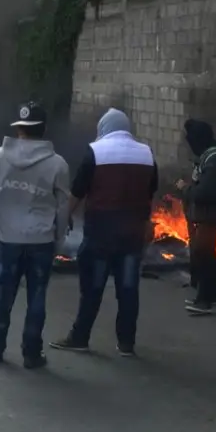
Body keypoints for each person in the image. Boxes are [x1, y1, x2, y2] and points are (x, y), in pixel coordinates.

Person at [51, 107, 157, 357]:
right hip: (132, 234)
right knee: (128, 289)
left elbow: (77, 192)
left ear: (103, 128)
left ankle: (80, 337)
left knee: (92, 288)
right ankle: (127, 343)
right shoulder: (147, 153)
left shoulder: (95, 151)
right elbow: (149, 193)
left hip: (100, 232)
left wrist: (64, 221)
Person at [0, 102, 71, 369]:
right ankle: (31, 354)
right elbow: (63, 207)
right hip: (41, 242)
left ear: (19, 129)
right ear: (43, 129)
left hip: (8, 241)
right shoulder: (57, 164)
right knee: (37, 298)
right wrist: (58, 239)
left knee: (2, 298)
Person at [177, 119, 216, 316]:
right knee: (206, 253)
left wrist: (185, 189)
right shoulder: (210, 157)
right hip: (207, 213)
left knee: (202, 252)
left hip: (210, 214)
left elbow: (205, 192)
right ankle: (209, 294)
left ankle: (204, 300)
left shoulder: (214, 160)